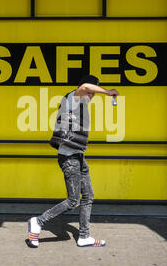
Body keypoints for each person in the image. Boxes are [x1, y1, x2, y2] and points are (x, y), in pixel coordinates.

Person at [27, 75, 119, 248]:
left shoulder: (79, 104)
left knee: (88, 196)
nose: (92, 96)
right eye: (92, 92)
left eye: (94, 93)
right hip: (69, 158)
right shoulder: (74, 98)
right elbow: (84, 85)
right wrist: (108, 92)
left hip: (78, 157)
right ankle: (38, 222)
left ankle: (84, 236)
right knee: (73, 200)